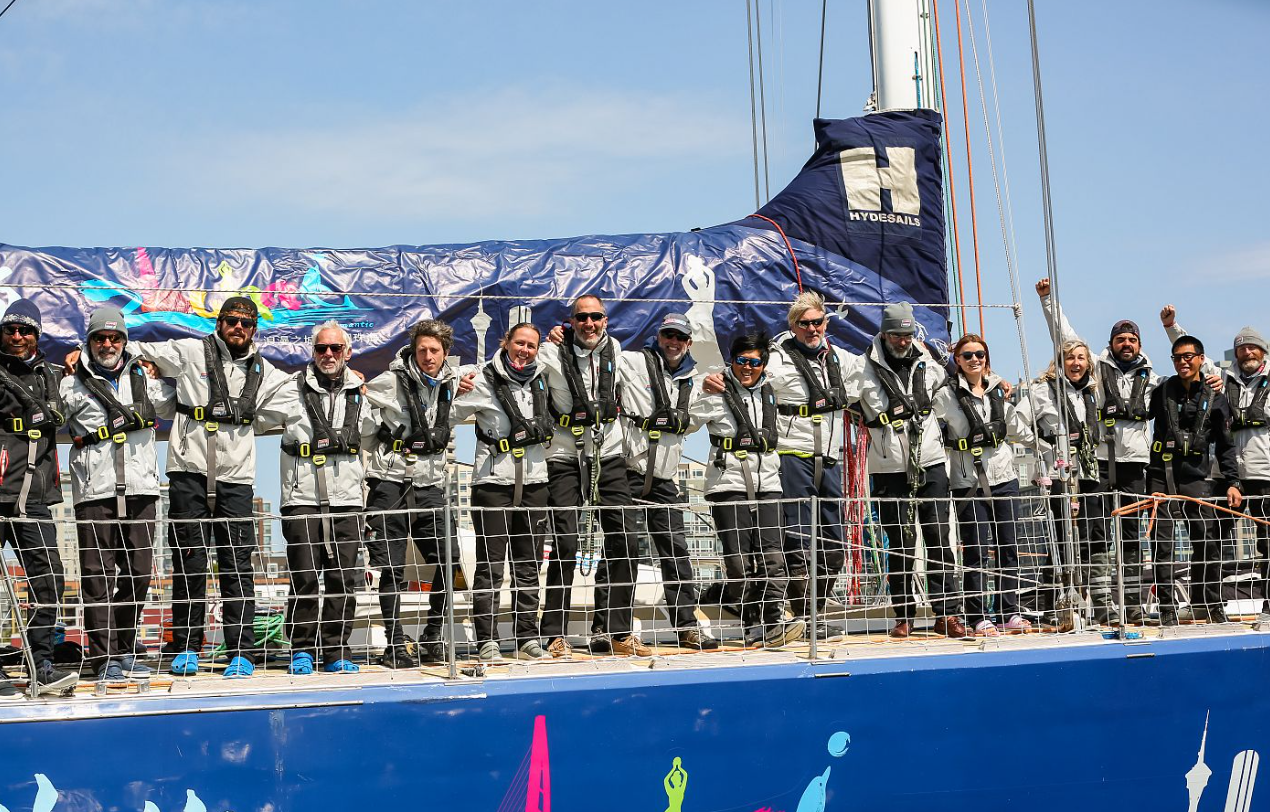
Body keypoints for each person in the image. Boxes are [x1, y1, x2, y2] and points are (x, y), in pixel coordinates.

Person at [128, 296, 291, 678]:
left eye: (246, 323)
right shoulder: (189, 352)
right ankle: (185, 646)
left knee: (237, 565)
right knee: (189, 563)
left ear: (254, 329)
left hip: (235, 477)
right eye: (231, 320)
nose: (238, 327)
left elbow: (304, 392)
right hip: (188, 470)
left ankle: (241, 651)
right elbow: (134, 350)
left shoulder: (265, 371)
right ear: (219, 323)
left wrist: (355, 386)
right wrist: (84, 353)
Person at [1037, 280, 1161, 625]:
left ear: (1139, 344)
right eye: (1120, 339)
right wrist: (1047, 300)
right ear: (1110, 344)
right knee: (1097, 533)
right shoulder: (1095, 367)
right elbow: (1065, 337)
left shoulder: (1153, 378)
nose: (1126, 344)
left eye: (1131, 340)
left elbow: (1193, 371)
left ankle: (1134, 607)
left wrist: (1211, 377)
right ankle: (1104, 605)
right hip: (1102, 463)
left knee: (1134, 536)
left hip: (1135, 464)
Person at [60, 305, 173, 683]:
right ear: (88, 341)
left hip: (142, 488)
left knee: (140, 573)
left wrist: (157, 364)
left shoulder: (144, 373)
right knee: (96, 577)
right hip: (94, 490)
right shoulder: (70, 380)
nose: (107, 344)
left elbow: (184, 393)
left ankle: (125, 648)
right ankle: (104, 657)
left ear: (125, 340)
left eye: (115, 337)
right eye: (99, 338)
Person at [538, 295, 646, 657]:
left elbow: (665, 367)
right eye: (581, 318)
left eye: (596, 317)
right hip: (565, 455)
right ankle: (553, 633)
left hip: (608, 452)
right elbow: (509, 361)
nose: (590, 324)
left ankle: (615, 631)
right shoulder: (550, 352)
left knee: (626, 541)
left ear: (605, 319)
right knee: (566, 545)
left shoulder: (615, 349)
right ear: (571, 321)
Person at [364, 320, 474, 667]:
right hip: (390, 483)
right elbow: (360, 403)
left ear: (446, 354)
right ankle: (395, 643)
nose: (428, 357)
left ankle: (431, 636)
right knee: (391, 570)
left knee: (450, 562)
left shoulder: (454, 383)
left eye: (435, 351)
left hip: (431, 486)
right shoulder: (389, 381)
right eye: (423, 350)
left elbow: (493, 372)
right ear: (413, 350)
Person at [269, 322, 377, 675]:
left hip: (346, 497)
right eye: (321, 349)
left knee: (343, 579)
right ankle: (301, 649)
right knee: (305, 577)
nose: (328, 355)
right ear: (311, 352)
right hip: (301, 496)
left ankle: (336, 649)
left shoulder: (363, 393)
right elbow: (252, 402)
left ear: (348, 352)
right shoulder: (288, 389)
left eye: (335, 349)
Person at [855, 301, 963, 639]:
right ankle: (904, 615)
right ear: (884, 334)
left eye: (908, 334)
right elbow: (841, 397)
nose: (904, 341)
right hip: (888, 468)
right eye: (897, 335)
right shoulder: (862, 369)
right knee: (900, 542)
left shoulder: (930, 366)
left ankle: (947, 613)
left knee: (938, 538)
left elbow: (954, 407)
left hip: (930, 462)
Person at [692, 332, 803, 648]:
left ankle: (769, 623)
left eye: (754, 362)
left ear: (763, 364)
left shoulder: (772, 389)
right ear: (732, 361)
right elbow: (685, 421)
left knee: (773, 561)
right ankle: (731, 602)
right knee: (740, 564)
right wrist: (701, 386)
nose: (747, 368)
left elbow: (802, 371)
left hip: (768, 484)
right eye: (741, 361)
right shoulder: (716, 391)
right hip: (728, 485)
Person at [451, 323, 554, 662]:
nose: (524, 350)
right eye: (519, 343)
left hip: (535, 482)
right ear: (505, 342)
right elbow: (450, 412)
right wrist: (458, 386)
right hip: (493, 483)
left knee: (528, 565)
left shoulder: (545, 376)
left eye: (531, 345)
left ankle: (527, 637)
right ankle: (487, 639)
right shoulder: (480, 378)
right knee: (490, 567)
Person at [1162, 309, 1270, 626]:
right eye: (1242, 348)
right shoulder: (1221, 379)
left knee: (1267, 545)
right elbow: (1191, 355)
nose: (1247, 352)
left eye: (1253, 347)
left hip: (1265, 474)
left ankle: (1269, 608)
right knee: (1213, 543)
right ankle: (1205, 603)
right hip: (1226, 478)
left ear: (1263, 351)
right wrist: (1171, 326)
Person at [764, 291, 863, 638]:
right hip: (794, 454)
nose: (812, 328)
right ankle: (804, 618)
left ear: (825, 323)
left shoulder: (841, 359)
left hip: (831, 456)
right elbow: (744, 377)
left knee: (834, 544)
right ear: (793, 327)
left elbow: (874, 374)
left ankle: (816, 612)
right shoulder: (776, 359)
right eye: (804, 323)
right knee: (799, 540)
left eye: (817, 322)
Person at [619, 312, 717, 650]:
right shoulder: (631, 362)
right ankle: (611, 630)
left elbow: (699, 416)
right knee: (621, 551)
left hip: (664, 478)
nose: (672, 342)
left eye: (679, 337)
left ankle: (686, 626)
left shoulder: (695, 379)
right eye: (667, 336)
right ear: (658, 337)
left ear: (689, 342)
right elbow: (594, 358)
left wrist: (720, 384)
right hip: (627, 472)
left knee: (675, 552)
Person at [0, 299, 78, 696]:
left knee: (50, 580)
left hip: (34, 499)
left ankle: (40, 663)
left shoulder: (54, 375)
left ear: (37, 335)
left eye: (25, 330)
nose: (17, 337)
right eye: (10, 330)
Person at [936, 334, 1035, 636]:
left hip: (1004, 478)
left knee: (1008, 547)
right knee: (977, 551)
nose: (974, 359)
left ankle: (1009, 611)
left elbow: (1018, 429)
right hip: (967, 482)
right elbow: (933, 431)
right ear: (957, 360)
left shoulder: (997, 392)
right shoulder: (945, 396)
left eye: (980, 354)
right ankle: (979, 615)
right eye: (967, 355)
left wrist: (1047, 446)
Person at [1144, 335, 1241, 626]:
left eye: (1188, 356)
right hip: (1162, 475)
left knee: (1208, 540)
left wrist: (1233, 481)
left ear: (1200, 358)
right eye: (1177, 357)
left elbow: (1226, 444)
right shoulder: (1161, 392)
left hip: (1198, 476)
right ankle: (1166, 609)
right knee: (1162, 544)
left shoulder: (1216, 396)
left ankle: (1211, 604)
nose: (1183, 362)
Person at [1030, 330, 1103, 628]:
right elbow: (1018, 424)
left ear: (1088, 363)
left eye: (1081, 357)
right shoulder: (1042, 391)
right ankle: (1052, 606)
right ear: (1060, 361)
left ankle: (1084, 604)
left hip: (1088, 472)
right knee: (1060, 541)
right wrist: (1046, 445)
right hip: (1059, 471)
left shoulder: (1093, 392)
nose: (1076, 362)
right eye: (1070, 357)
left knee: (1087, 538)